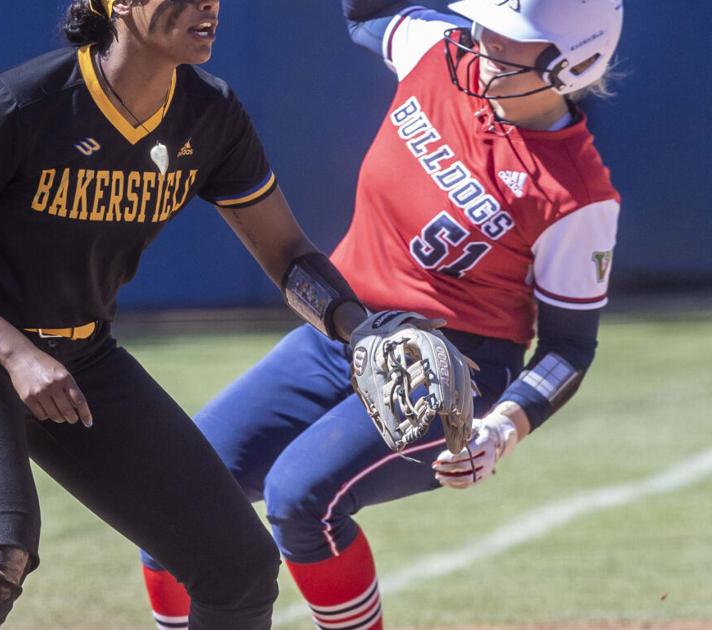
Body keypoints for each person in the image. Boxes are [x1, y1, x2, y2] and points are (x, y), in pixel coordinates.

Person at [0, 0, 462, 626]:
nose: (207, 4)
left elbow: (287, 253)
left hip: (79, 355)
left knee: (238, 565)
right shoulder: (17, 105)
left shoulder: (209, 114)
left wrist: (358, 329)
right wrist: (17, 355)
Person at [137, 0, 624, 628]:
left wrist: (500, 430)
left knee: (300, 499)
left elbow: (568, 350)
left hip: (451, 373)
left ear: (572, 63)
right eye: (489, 23)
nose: (486, 40)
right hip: (342, 333)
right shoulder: (441, 52)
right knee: (171, 496)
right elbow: (366, 11)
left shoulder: (577, 195)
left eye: (512, 38)